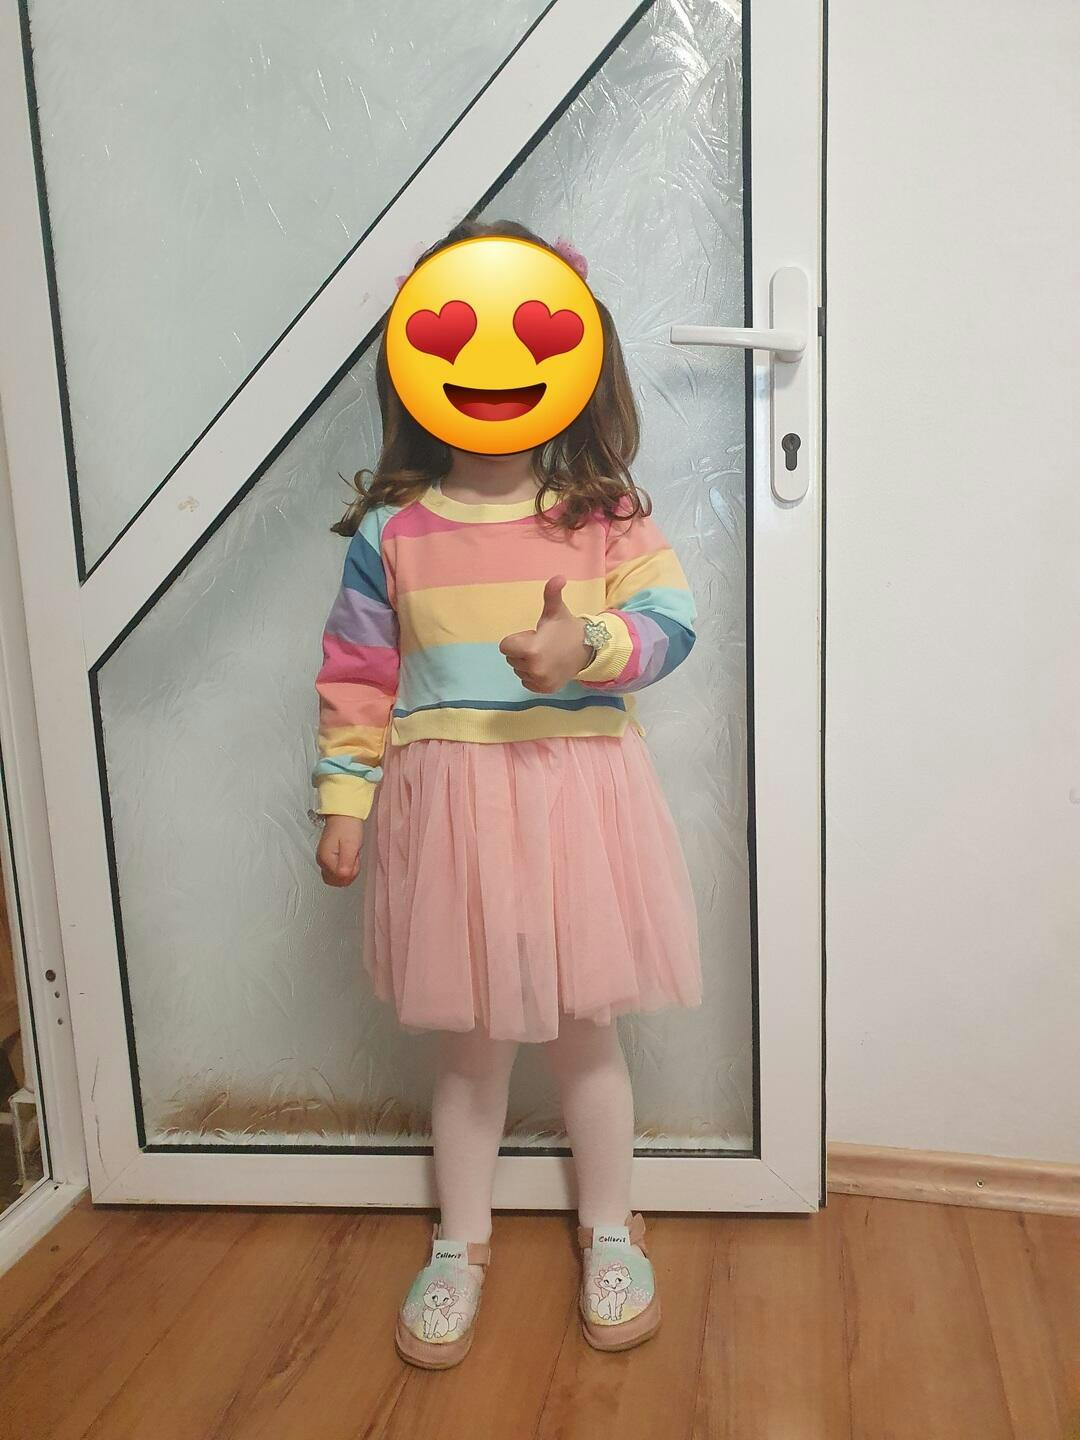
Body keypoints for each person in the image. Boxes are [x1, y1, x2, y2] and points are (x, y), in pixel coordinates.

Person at [313, 219, 701, 1368]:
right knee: (471, 1048)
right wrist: (344, 803)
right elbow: (357, 675)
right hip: (455, 815)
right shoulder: (392, 533)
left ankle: (611, 1229)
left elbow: (672, 623)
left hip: (577, 805)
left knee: (586, 1036)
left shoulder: (605, 516)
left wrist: (587, 643)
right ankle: (460, 1243)